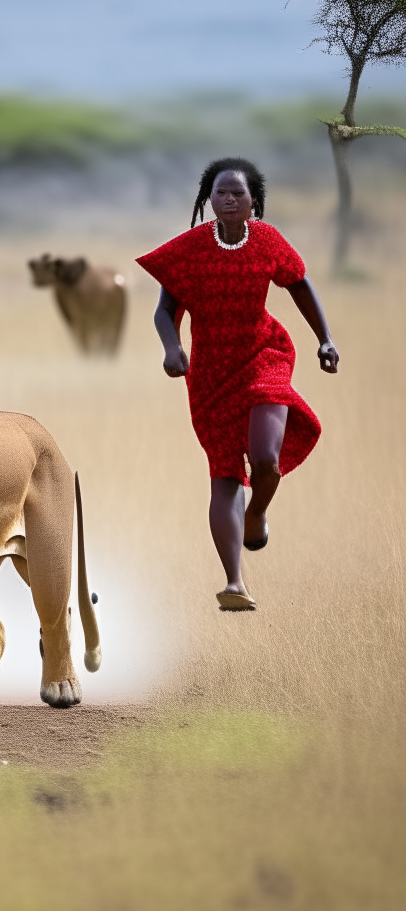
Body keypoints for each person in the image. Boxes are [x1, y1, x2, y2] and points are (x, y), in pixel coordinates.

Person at [136, 158, 339, 611]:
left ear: (254, 204)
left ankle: (258, 511)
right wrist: (172, 349)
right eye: (220, 193)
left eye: (237, 194)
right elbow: (165, 309)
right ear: (210, 200)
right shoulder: (190, 248)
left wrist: (325, 340)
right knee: (225, 473)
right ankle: (234, 583)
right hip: (210, 373)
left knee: (265, 458)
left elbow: (300, 285)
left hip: (265, 354)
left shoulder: (267, 241)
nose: (228, 200)